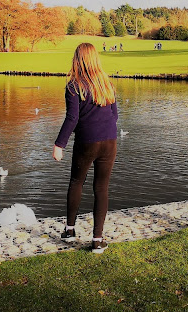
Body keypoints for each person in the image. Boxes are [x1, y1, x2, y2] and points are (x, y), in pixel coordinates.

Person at [53, 43, 118, 253]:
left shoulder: (74, 85)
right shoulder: (107, 82)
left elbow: (72, 118)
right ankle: (97, 241)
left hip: (87, 141)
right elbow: (114, 116)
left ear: (77, 60)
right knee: (101, 188)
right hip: (109, 141)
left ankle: (70, 231)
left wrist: (59, 144)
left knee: (76, 181)